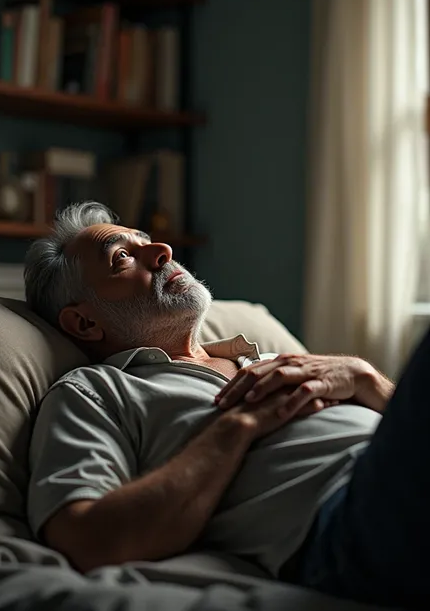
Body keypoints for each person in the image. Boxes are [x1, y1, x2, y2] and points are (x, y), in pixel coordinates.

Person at [25, 201, 425, 610]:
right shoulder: (98, 391)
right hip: (346, 522)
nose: (162, 249)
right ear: (85, 323)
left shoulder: (266, 360)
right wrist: (239, 424)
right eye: (123, 257)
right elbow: (86, 540)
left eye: (146, 240)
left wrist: (366, 378)